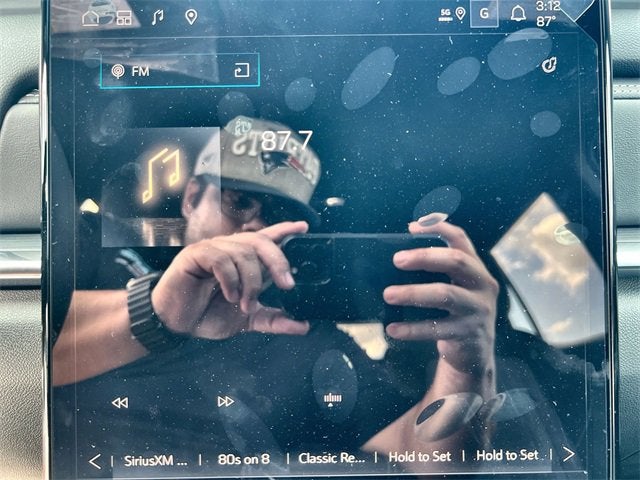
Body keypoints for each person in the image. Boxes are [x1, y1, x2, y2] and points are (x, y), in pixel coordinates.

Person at [52, 116, 499, 473]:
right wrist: (156, 312)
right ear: (191, 198)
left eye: (281, 214)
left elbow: (419, 462)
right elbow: (25, 349)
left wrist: (467, 366)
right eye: (239, 201)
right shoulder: (89, 251)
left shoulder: (312, 339)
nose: (255, 226)